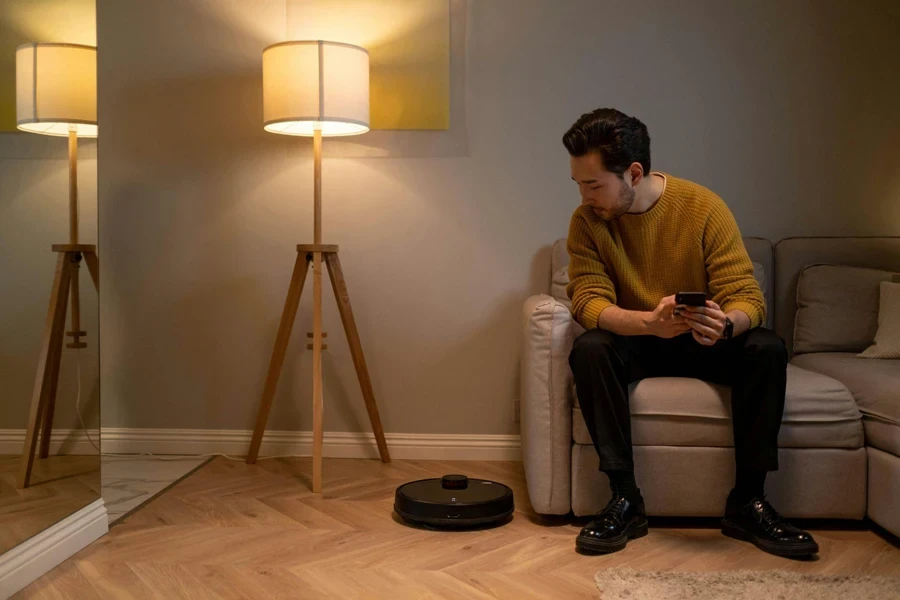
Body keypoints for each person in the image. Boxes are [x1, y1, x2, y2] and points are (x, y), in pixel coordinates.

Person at [563, 108, 818, 558]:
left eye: (594, 184)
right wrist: (648, 324)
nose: (585, 197)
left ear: (634, 173)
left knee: (766, 346)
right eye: (580, 184)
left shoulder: (702, 206)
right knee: (590, 348)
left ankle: (748, 501)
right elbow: (588, 302)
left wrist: (724, 325)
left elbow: (747, 297)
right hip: (638, 340)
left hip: (703, 344)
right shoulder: (588, 222)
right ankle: (625, 499)